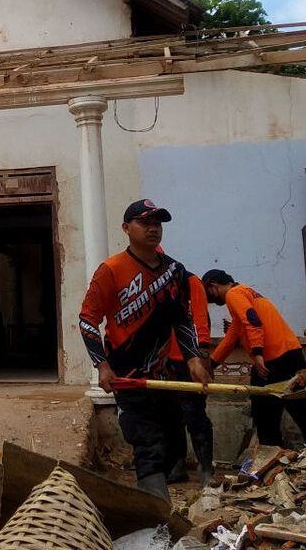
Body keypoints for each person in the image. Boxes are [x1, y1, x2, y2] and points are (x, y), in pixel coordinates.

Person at [79, 199, 211, 500]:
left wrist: (192, 358)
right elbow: (87, 320)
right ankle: (157, 513)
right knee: (146, 443)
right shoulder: (110, 270)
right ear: (126, 228)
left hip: (164, 374)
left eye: (158, 222)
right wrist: (101, 365)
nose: (153, 228)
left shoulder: (175, 271)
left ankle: (159, 505)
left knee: (168, 436)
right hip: (128, 374)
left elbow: (182, 319)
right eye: (144, 222)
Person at [202, 269, 306, 447]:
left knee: (266, 413)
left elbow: (252, 320)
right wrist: (211, 365)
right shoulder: (246, 292)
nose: (212, 300)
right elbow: (232, 338)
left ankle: (271, 453)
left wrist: (258, 354)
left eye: (209, 295)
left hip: (273, 359)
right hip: (291, 355)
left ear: (213, 286)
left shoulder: (233, 295)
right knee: (300, 409)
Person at [163, 267, 215, 486]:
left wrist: (202, 355)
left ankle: (206, 468)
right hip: (163, 361)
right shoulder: (149, 286)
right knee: (170, 416)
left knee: (194, 414)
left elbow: (201, 319)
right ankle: (178, 465)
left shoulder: (190, 281)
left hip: (188, 360)